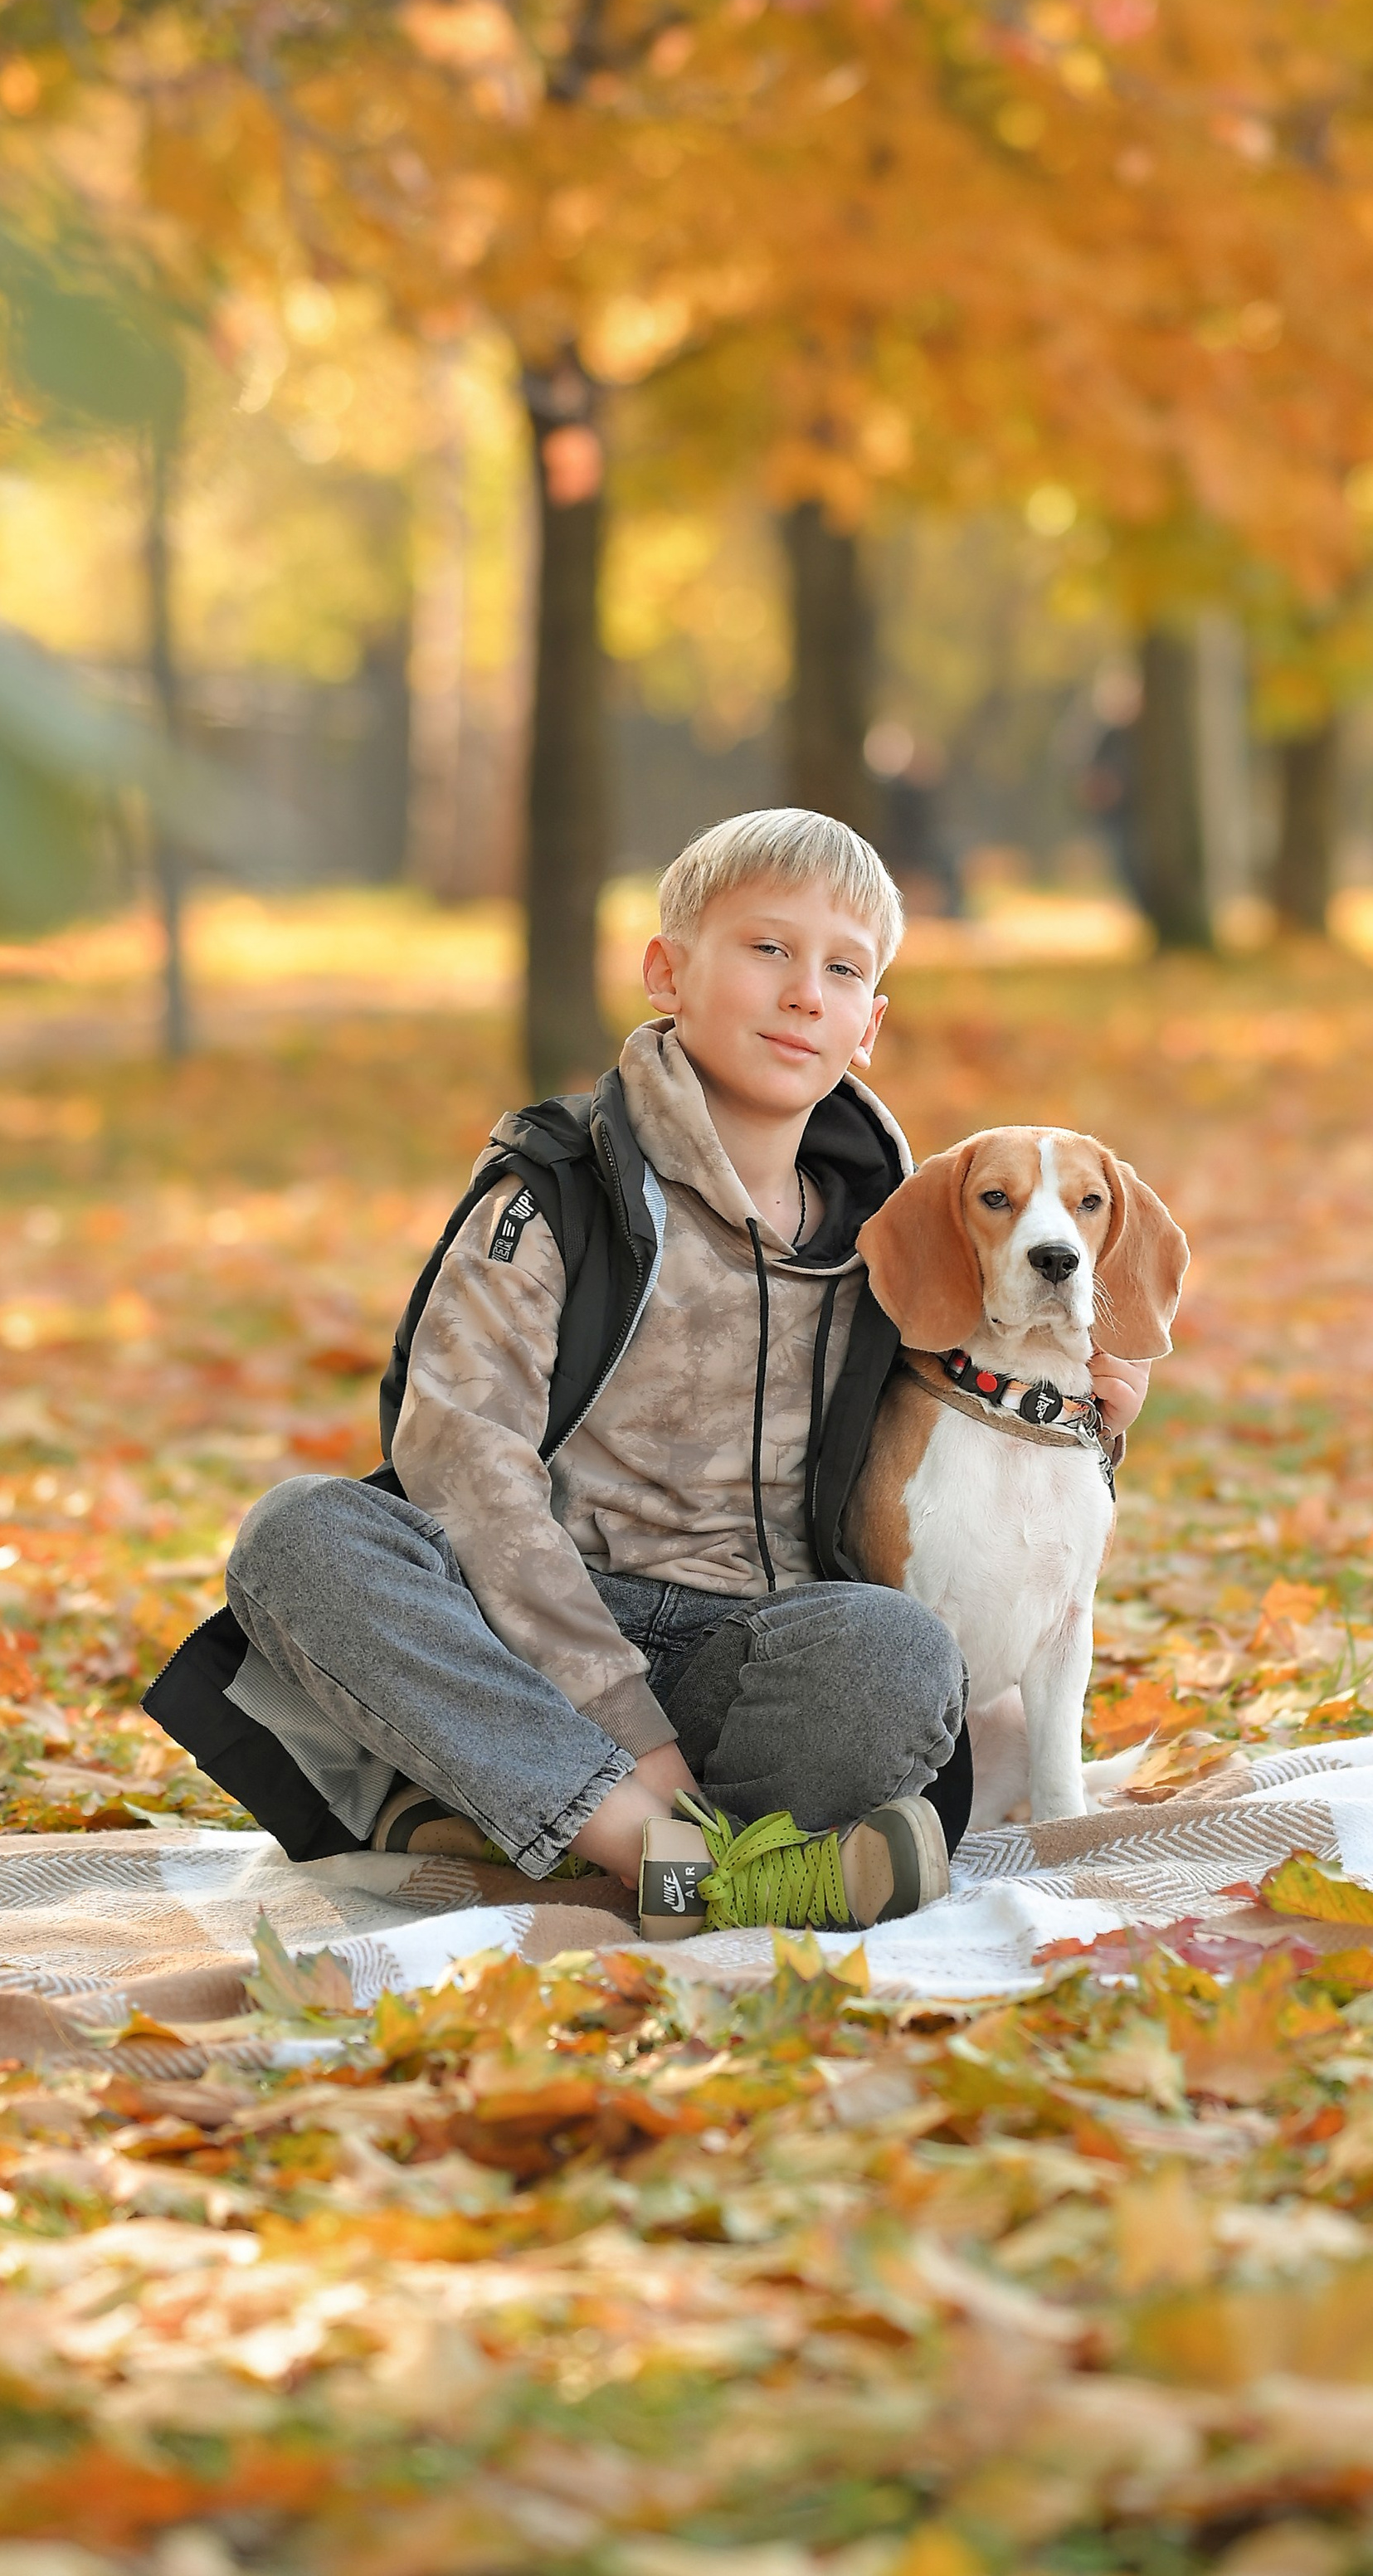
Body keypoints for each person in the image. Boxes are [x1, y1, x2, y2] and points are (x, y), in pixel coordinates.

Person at [144, 808, 1151, 1929]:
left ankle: (511, 1828)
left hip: (758, 1654)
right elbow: (460, 1462)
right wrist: (632, 1737)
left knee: (899, 1650)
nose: (803, 991)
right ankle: (671, 1856)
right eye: (767, 948)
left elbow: (985, 1406)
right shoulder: (560, 1191)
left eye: (842, 968)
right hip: (528, 1631)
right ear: (667, 971)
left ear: (870, 1022)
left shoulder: (898, 1228)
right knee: (302, 1536)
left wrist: (1094, 1395)